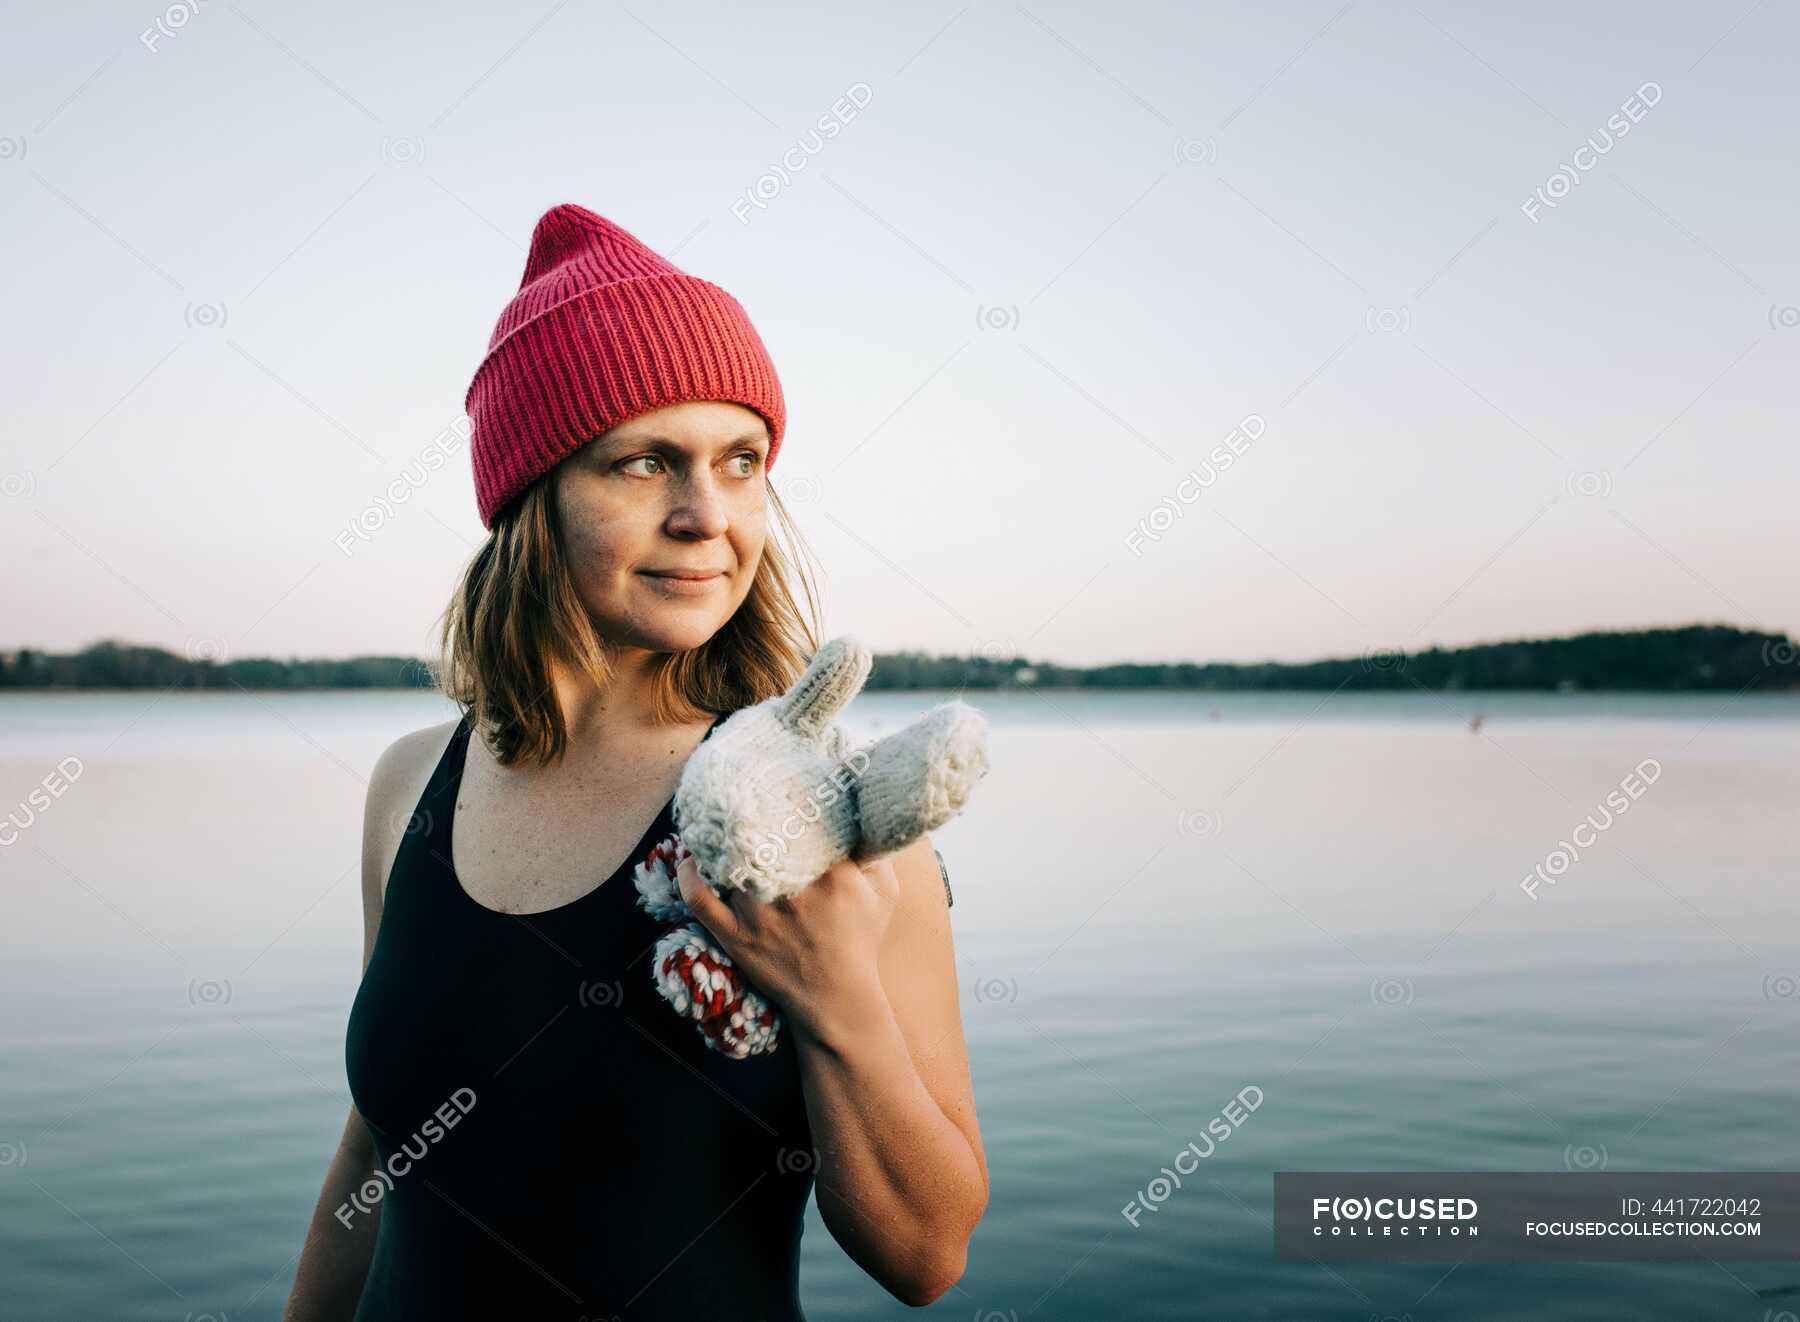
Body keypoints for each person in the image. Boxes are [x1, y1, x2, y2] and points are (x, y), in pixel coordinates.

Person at [281, 203, 988, 1320]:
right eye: (645, 462)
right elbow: (376, 1147)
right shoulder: (410, 783)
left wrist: (834, 992)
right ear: (533, 495)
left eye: (741, 460)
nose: (707, 514)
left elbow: (927, 1252)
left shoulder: (818, 811)